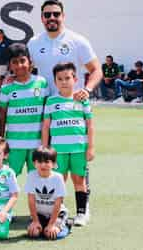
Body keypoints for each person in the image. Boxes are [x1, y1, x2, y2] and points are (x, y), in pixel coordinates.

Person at [27, 0, 102, 222]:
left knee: (77, 160)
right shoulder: (33, 43)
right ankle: (55, 207)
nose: (52, 18)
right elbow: (26, 68)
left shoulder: (77, 40)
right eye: (47, 14)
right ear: (42, 18)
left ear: (63, 16)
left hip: (72, 108)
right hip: (46, 109)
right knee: (50, 160)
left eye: (56, 14)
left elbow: (96, 69)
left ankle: (83, 207)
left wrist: (87, 90)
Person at [42, 63, 94, 227]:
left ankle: (81, 213)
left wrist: (91, 147)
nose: (64, 82)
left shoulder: (82, 99)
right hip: (58, 150)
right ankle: (59, 211)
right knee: (59, 180)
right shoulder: (51, 101)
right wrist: (45, 149)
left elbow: (90, 125)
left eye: (67, 78)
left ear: (75, 79)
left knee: (79, 180)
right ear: (55, 81)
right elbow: (46, 126)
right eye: (60, 79)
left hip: (79, 148)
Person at [0, 43, 49, 176]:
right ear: (10, 65)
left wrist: (47, 140)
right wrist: (1, 139)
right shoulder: (7, 88)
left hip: (37, 144)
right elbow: (2, 113)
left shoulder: (41, 83)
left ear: (30, 61)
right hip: (14, 144)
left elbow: (47, 113)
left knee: (38, 179)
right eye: (15, 62)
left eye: (22, 61)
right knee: (8, 178)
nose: (19, 65)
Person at [25, 147, 71, 240]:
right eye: (39, 162)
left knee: (51, 234)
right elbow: (31, 201)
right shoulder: (31, 175)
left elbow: (58, 203)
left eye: (47, 162)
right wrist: (35, 221)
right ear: (34, 163)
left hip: (57, 214)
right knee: (33, 233)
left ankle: (67, 224)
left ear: (53, 164)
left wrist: (51, 224)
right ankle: (43, 225)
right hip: (40, 214)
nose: (43, 165)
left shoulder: (58, 178)